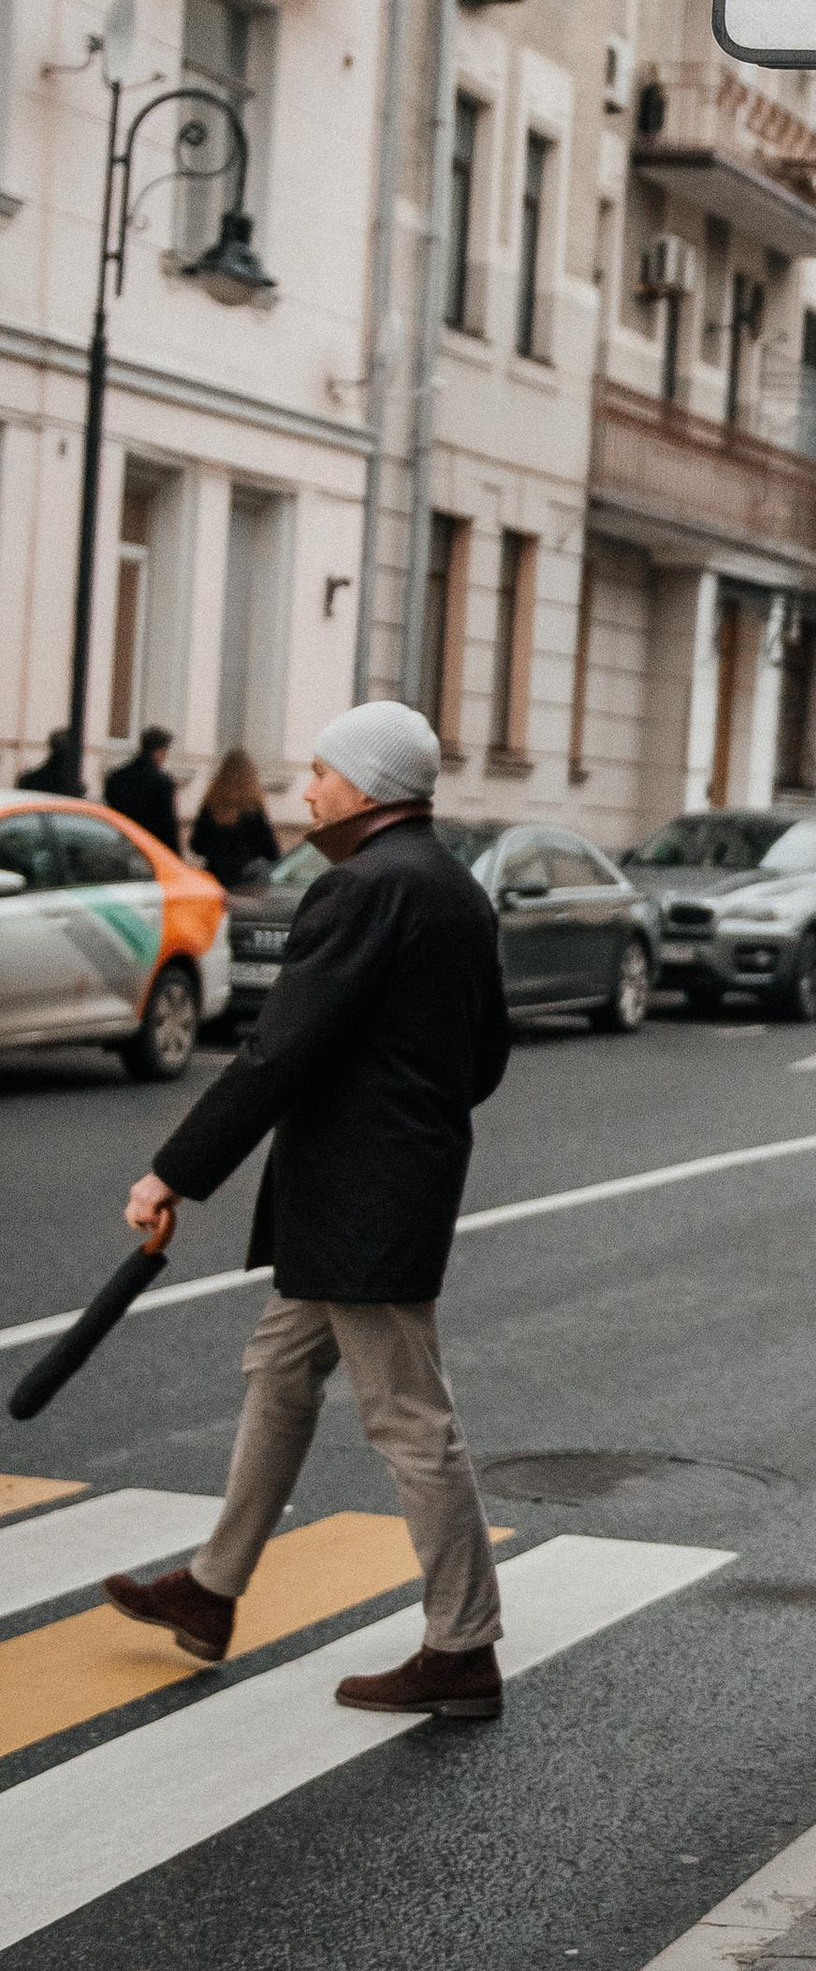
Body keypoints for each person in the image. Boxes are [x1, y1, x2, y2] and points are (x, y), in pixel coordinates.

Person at [104, 701, 514, 1716]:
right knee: (279, 1372)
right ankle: (209, 1589)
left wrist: (174, 1172)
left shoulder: (361, 889)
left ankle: (462, 1648)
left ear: (368, 788)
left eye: (324, 773)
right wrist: (411, 1118)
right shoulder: (453, 887)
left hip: (361, 1203)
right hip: (381, 1190)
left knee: (410, 1419)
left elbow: (278, 1053)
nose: (307, 790)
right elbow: (486, 1057)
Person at [190, 744, 283, 893]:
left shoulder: (211, 805)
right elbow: (272, 851)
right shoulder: (253, 809)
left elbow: (196, 845)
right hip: (245, 882)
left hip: (214, 880)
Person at [101, 726, 182, 850]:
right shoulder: (163, 782)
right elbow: (168, 825)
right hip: (149, 848)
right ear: (160, 751)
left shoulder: (117, 777)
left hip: (121, 843)